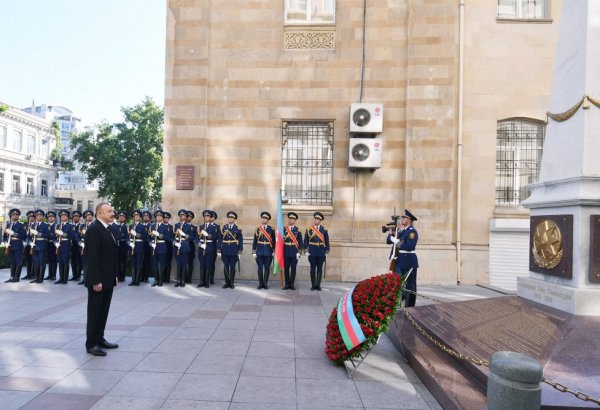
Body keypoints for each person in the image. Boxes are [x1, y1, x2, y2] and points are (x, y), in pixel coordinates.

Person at [84, 202, 119, 356]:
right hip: (98, 280)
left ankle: (99, 338)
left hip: (108, 278)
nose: (113, 213)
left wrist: (114, 276)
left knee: (103, 311)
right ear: (99, 213)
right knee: (94, 312)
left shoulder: (107, 228)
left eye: (112, 210)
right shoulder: (94, 230)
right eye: (109, 211)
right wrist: (95, 281)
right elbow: (92, 258)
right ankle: (91, 344)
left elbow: (109, 255)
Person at [387, 209, 419, 307]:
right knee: (397, 284)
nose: (402, 219)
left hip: (408, 261)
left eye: (404, 218)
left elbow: (409, 247)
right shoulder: (402, 231)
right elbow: (389, 241)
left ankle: (410, 307)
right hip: (399, 260)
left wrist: (396, 241)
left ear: (409, 220)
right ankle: (398, 304)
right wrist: (392, 233)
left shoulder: (412, 232)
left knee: (410, 286)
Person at [304, 212, 330, 291]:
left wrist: (327, 250)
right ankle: (313, 285)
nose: (316, 220)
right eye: (315, 218)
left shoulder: (324, 230)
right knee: (312, 269)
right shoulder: (309, 229)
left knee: (319, 269)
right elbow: (306, 240)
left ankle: (318, 285)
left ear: (320, 220)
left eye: (318, 219)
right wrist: (306, 250)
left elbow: (327, 241)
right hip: (312, 252)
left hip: (321, 252)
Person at [218, 211, 243, 289]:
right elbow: (220, 239)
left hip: (233, 250)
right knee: (226, 266)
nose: (230, 219)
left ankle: (231, 282)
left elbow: (240, 240)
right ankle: (226, 283)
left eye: (232, 217)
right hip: (225, 250)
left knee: (232, 267)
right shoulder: (224, 227)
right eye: (229, 217)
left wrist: (239, 251)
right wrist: (218, 250)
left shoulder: (238, 228)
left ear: (234, 219)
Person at [149, 210, 173, 287]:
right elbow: (148, 237)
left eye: (160, 216)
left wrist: (160, 235)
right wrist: (150, 243)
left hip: (162, 246)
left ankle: (160, 281)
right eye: (157, 216)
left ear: (162, 217)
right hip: (154, 247)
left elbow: (169, 237)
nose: (159, 217)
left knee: (161, 265)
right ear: (156, 217)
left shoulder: (166, 227)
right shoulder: (152, 226)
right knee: (155, 265)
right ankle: (156, 280)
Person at [196, 209, 219, 288]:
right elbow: (196, 238)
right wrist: (199, 244)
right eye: (205, 216)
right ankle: (201, 281)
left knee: (208, 265)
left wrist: (208, 235)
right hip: (201, 247)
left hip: (209, 247)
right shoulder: (200, 227)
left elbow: (216, 237)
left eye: (208, 216)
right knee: (202, 265)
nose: (206, 217)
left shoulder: (214, 227)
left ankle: (207, 282)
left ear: (210, 217)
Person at [252, 211, 275, 289]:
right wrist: (254, 252)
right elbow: (255, 241)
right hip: (259, 251)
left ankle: (265, 283)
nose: (264, 219)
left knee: (267, 267)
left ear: (268, 220)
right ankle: (260, 283)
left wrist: (274, 251)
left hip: (268, 251)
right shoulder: (257, 229)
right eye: (263, 218)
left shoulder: (271, 229)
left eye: (266, 218)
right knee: (260, 268)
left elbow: (274, 241)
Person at [3, 208, 26, 283]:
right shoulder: (8, 225)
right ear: (11, 216)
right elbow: (4, 236)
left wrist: (14, 233)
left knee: (18, 262)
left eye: (17, 215)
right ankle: (12, 276)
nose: (15, 216)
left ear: (18, 216)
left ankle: (17, 277)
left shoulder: (21, 225)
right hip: (10, 246)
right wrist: (6, 242)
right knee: (12, 262)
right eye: (13, 215)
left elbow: (23, 236)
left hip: (18, 246)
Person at [54, 210, 76, 284]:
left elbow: (72, 236)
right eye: (62, 216)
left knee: (65, 263)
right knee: (60, 263)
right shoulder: (57, 226)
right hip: (58, 246)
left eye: (65, 216)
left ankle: (65, 279)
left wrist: (63, 234)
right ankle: (61, 278)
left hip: (66, 245)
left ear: (67, 217)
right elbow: (54, 237)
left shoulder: (71, 226)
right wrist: (55, 243)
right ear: (60, 217)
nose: (63, 217)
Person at [283, 212, 303, 290]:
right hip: (286, 252)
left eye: (293, 219)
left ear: (295, 220)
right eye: (290, 218)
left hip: (294, 252)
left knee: (293, 269)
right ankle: (287, 284)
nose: (291, 220)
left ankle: (292, 284)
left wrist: (299, 252)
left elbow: (300, 242)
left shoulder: (298, 230)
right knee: (286, 269)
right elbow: (281, 241)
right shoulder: (284, 229)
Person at [29, 210, 50, 283]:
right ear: (36, 217)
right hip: (34, 245)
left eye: (41, 215)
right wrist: (30, 242)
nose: (39, 216)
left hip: (42, 245)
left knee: (42, 263)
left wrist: (39, 234)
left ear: (43, 217)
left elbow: (48, 235)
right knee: (36, 262)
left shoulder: (46, 225)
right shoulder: (32, 225)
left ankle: (40, 278)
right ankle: (36, 277)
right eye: (37, 215)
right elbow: (29, 236)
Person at [128, 210, 148, 286]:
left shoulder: (143, 226)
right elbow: (127, 237)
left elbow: (145, 237)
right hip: (132, 246)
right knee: (133, 263)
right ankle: (133, 280)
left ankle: (137, 280)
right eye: (135, 216)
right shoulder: (130, 226)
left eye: (137, 216)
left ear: (140, 217)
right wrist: (129, 243)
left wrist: (136, 234)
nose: (136, 217)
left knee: (138, 263)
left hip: (139, 246)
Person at [173, 209, 193, 287]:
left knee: (184, 264)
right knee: (178, 264)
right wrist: (174, 242)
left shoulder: (189, 226)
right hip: (177, 245)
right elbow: (173, 236)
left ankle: (183, 281)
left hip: (184, 245)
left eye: (184, 215)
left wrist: (184, 234)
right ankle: (178, 281)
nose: (182, 216)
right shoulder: (176, 225)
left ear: (186, 217)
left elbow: (191, 237)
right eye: (180, 215)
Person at [78, 210, 94, 285]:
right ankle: (84, 279)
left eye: (90, 215)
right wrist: (80, 243)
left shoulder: (95, 225)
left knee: (92, 264)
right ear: (85, 217)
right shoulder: (81, 226)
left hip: (92, 247)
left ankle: (91, 279)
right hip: (83, 247)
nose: (89, 216)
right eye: (87, 215)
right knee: (84, 264)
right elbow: (77, 236)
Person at [114, 211, 129, 282]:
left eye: (123, 217)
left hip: (124, 245)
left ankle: (122, 277)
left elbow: (127, 237)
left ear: (125, 218)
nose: (121, 218)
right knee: (117, 262)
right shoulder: (115, 226)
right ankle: (118, 276)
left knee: (123, 262)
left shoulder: (127, 227)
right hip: (116, 246)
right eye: (120, 216)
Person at [69, 210, 83, 282]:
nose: (76, 218)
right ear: (72, 217)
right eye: (75, 216)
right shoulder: (70, 226)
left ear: (79, 218)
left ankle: (78, 275)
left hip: (79, 245)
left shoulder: (81, 226)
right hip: (71, 245)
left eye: (78, 217)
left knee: (79, 261)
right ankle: (74, 275)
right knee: (72, 261)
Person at [44, 211, 58, 281]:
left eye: (52, 217)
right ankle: (49, 275)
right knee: (49, 260)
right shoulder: (46, 226)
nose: (50, 218)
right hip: (47, 244)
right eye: (49, 217)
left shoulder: (57, 226)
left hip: (54, 244)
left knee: (54, 260)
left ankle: (54, 275)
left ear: (54, 218)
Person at [22, 210, 35, 280]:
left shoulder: (36, 225)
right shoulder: (25, 225)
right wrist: (23, 241)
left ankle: (33, 274)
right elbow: (23, 234)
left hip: (33, 244)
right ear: (28, 217)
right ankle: (28, 274)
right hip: (26, 244)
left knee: (33, 260)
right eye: (30, 217)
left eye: (33, 217)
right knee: (28, 260)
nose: (31, 218)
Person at [163, 211, 174, 283]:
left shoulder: (171, 227)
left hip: (169, 247)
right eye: (164, 217)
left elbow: (171, 237)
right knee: (162, 263)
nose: (165, 219)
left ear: (169, 219)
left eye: (167, 218)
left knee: (168, 263)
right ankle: (162, 278)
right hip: (162, 247)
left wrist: (164, 237)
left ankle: (167, 278)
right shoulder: (159, 226)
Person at [185, 210, 196, 284]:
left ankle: (189, 278)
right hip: (183, 246)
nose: (188, 218)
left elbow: (195, 237)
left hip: (191, 246)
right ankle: (184, 278)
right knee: (184, 263)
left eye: (190, 217)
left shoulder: (194, 227)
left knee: (190, 263)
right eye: (187, 216)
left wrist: (189, 237)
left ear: (191, 218)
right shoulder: (181, 225)